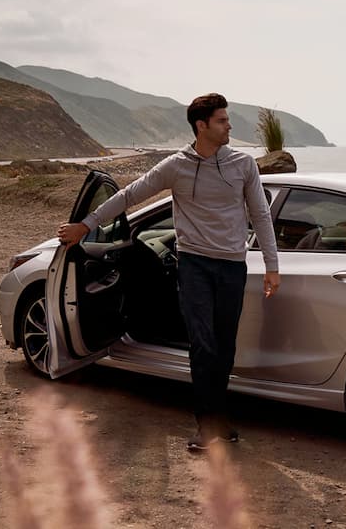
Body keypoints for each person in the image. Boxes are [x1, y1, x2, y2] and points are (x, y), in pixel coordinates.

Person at [57, 93, 281, 451]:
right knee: (203, 345)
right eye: (222, 121)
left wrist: (272, 265)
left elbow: (261, 214)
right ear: (201, 126)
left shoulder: (242, 164)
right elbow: (130, 195)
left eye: (227, 119)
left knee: (224, 347)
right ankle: (207, 425)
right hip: (193, 265)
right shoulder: (176, 166)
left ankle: (218, 418)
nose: (229, 126)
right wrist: (86, 225)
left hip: (232, 267)